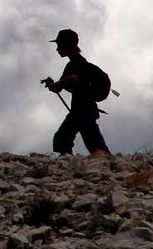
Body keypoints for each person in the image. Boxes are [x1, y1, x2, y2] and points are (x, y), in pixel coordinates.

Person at [41, 29, 111, 157]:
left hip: (81, 110)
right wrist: (54, 84)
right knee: (92, 140)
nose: (57, 49)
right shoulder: (79, 64)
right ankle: (107, 161)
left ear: (66, 45)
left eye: (59, 45)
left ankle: (67, 161)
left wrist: (54, 85)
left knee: (62, 138)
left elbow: (71, 80)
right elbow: (64, 84)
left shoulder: (75, 65)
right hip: (86, 109)